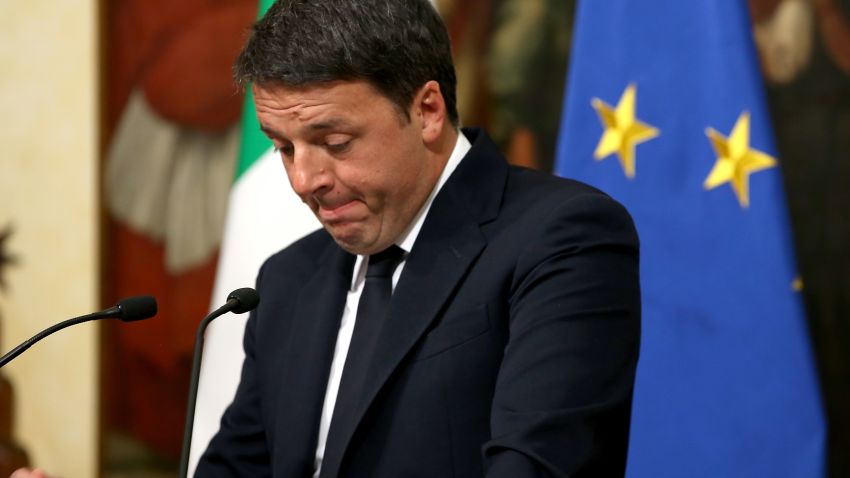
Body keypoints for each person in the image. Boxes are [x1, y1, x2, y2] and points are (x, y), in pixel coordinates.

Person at [13, 1, 640, 477]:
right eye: (283, 148)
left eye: (335, 144)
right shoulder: (288, 280)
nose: (304, 180)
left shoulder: (562, 239)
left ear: (427, 110)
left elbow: (535, 466)